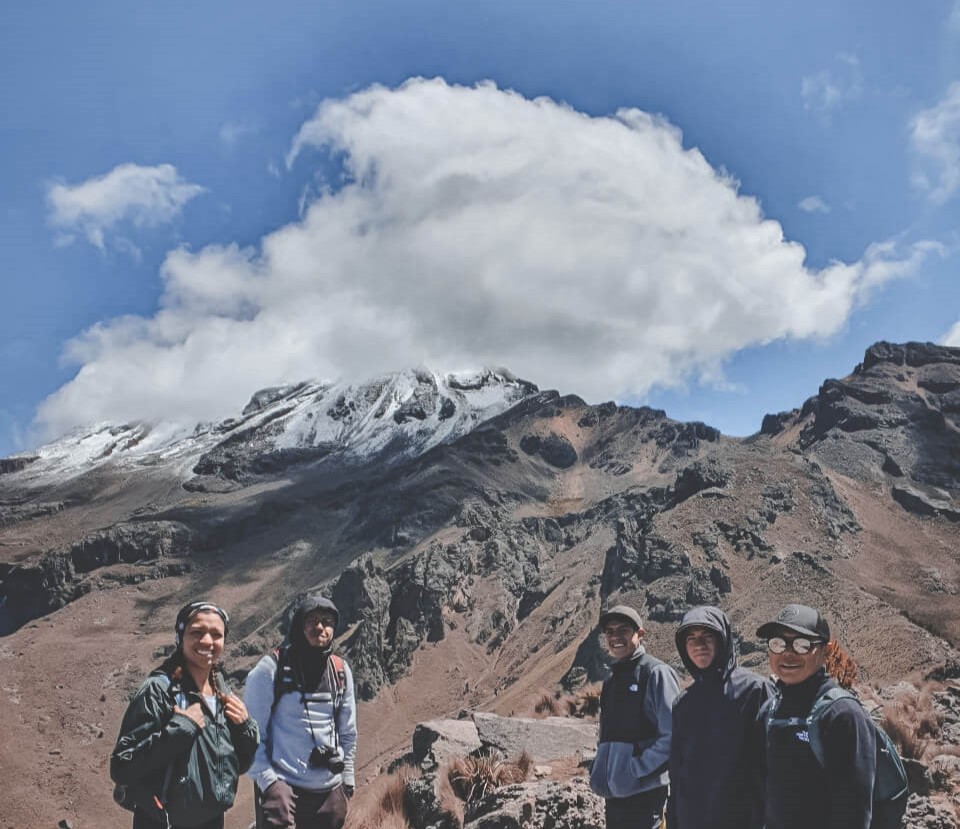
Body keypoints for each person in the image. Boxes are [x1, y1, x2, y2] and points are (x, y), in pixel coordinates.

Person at [111, 601, 260, 829]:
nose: (207, 641)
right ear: (181, 637)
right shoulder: (158, 690)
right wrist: (181, 729)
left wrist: (246, 730)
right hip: (163, 822)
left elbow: (232, 766)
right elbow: (122, 766)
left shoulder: (222, 691)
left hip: (211, 819)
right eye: (197, 632)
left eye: (216, 634)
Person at [758, 603, 876, 829]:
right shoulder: (770, 710)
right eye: (778, 643)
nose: (788, 653)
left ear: (825, 651)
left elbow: (854, 814)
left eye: (802, 645)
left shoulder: (842, 715)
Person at [245, 593, 357, 829]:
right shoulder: (271, 669)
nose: (320, 627)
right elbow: (251, 734)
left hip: (330, 792)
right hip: (284, 791)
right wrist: (269, 784)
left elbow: (348, 732)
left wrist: (346, 780)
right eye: (312, 620)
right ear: (298, 625)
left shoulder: (340, 671)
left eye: (327, 622)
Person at [667, 605, 773, 829]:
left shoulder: (755, 691)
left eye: (707, 636)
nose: (699, 645)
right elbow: (677, 775)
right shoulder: (683, 703)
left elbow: (773, 767)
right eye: (691, 638)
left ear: (722, 640)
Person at [589, 604, 681, 829]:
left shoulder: (656, 673)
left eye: (623, 630)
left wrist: (634, 769)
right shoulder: (612, 681)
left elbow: (673, 736)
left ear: (640, 634)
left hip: (645, 794)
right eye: (610, 632)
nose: (615, 637)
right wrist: (602, 769)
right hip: (614, 793)